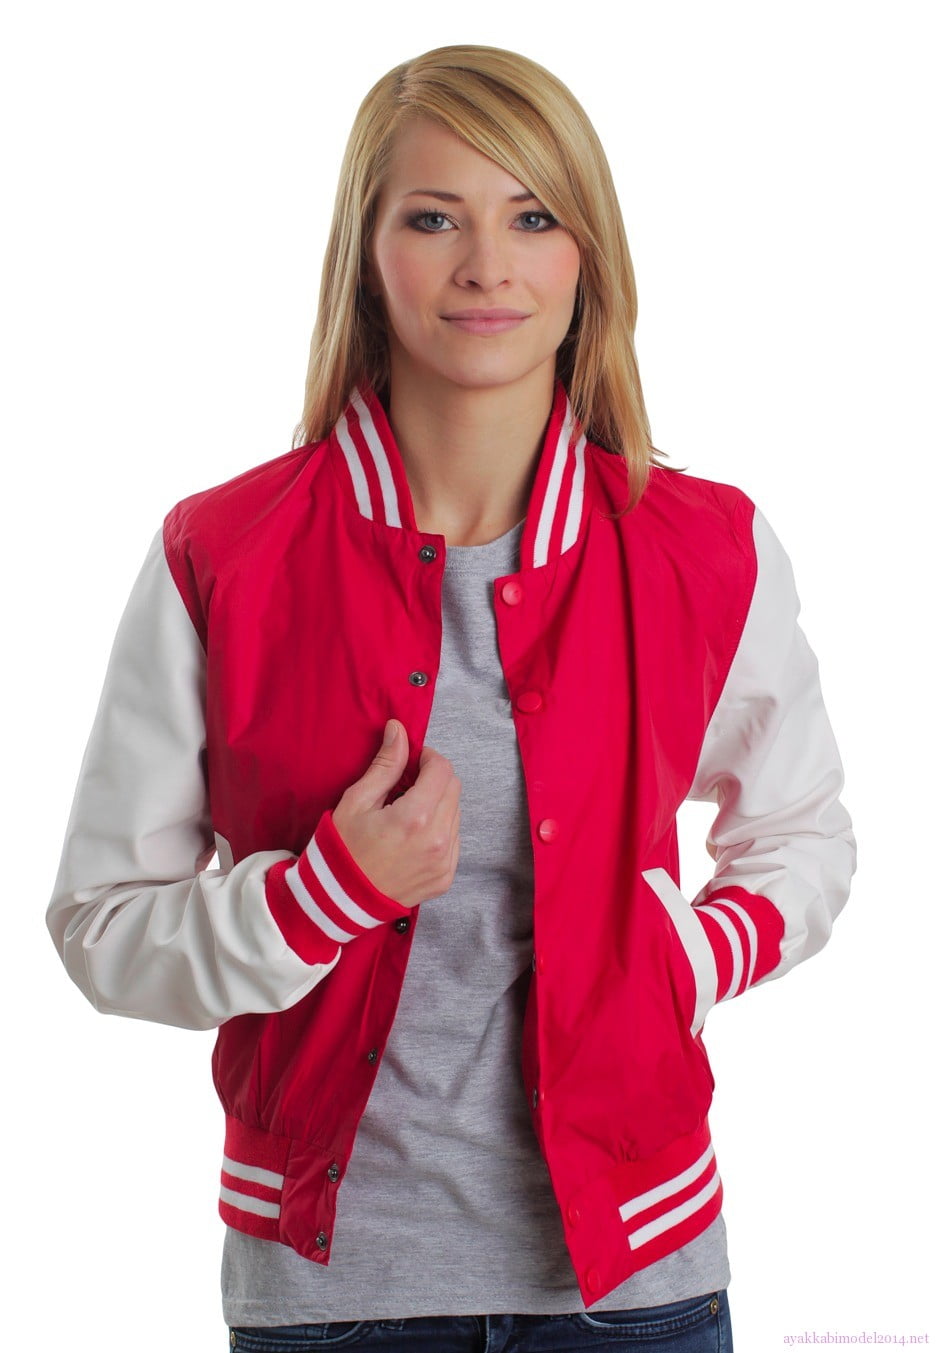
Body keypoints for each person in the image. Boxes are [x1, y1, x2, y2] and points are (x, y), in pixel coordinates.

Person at [46, 42, 857, 1353]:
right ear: (367, 256)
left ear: (588, 255)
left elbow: (804, 835)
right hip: (333, 1300)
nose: (488, 265)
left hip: (635, 1289)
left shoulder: (703, 547)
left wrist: (685, 957)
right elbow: (100, 923)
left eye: (533, 217)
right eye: (434, 219)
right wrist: (328, 893)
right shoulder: (226, 555)